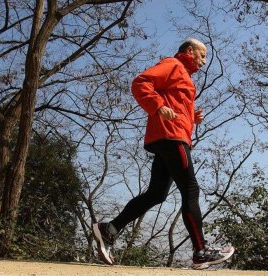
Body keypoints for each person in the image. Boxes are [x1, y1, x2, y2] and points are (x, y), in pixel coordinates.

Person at [92, 38, 234, 269]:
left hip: (170, 136)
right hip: (171, 137)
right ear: (189, 51)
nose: (204, 61)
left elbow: (176, 108)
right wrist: (157, 106)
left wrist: (192, 118)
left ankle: (110, 229)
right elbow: (141, 82)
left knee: (157, 193)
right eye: (202, 55)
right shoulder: (173, 65)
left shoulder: (184, 76)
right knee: (190, 189)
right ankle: (200, 251)